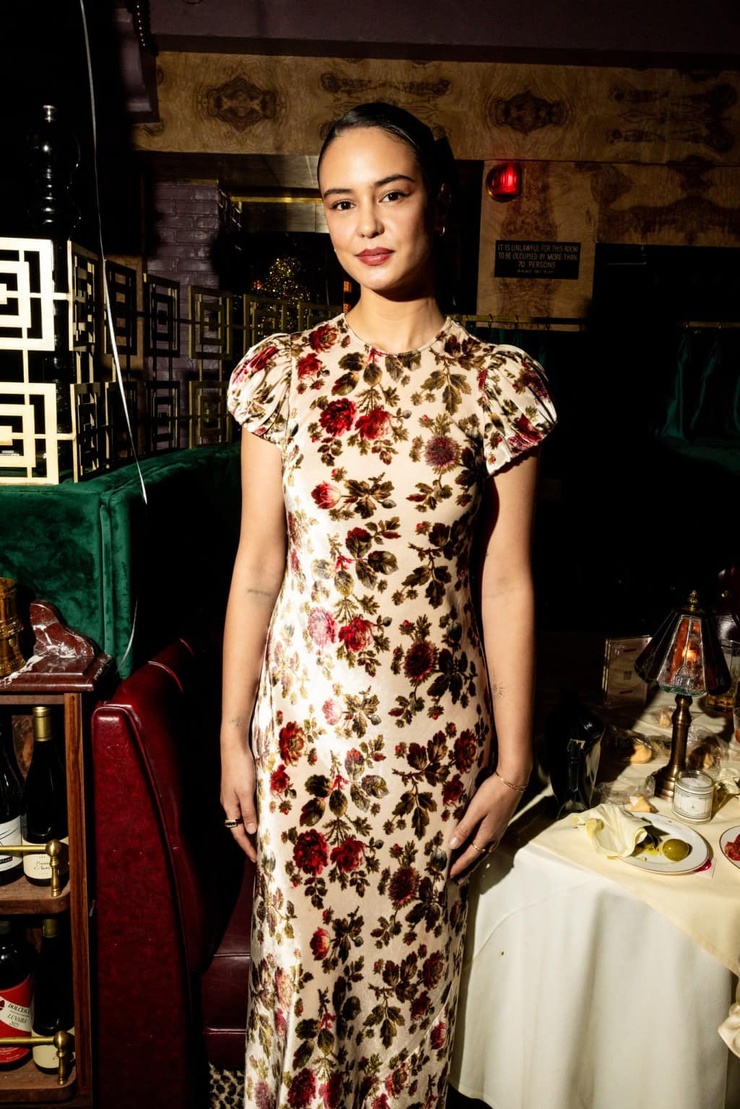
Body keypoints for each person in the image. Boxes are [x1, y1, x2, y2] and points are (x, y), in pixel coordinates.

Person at [220, 101, 556, 1109]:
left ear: (436, 204)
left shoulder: (497, 385)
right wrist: (232, 733)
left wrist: (512, 763)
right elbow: (256, 567)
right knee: (303, 991)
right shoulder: (283, 375)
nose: (365, 224)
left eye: (390, 194)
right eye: (340, 202)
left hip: (434, 753)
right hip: (305, 748)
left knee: (411, 1011)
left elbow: (506, 580)